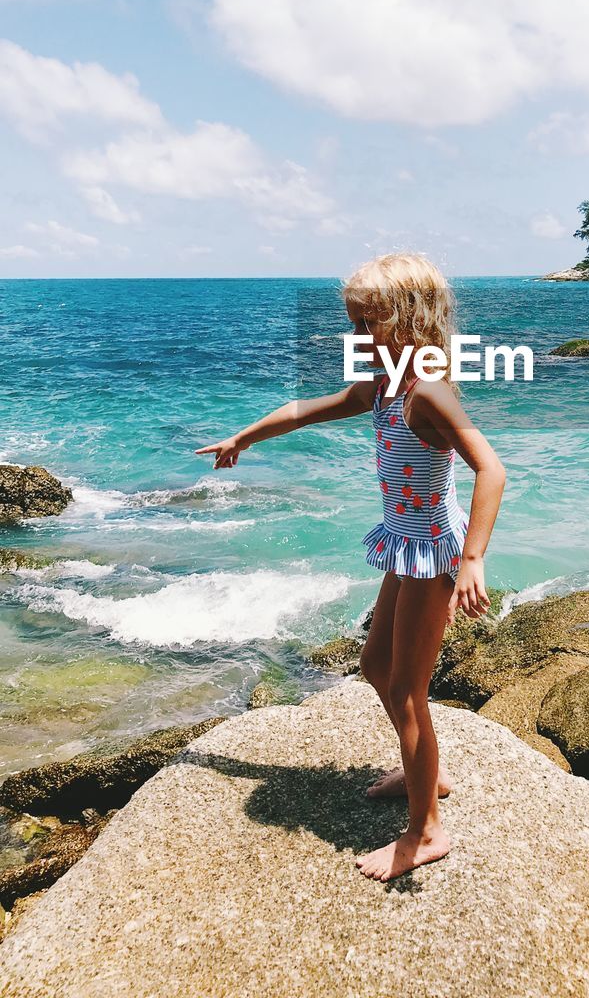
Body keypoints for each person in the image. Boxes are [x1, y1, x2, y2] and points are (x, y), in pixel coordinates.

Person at [195, 252, 505, 883]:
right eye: (354, 324)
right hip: (405, 541)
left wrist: (472, 558)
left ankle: (425, 833)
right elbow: (306, 409)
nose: (356, 338)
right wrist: (243, 438)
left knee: (405, 688)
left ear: (408, 321)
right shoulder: (384, 386)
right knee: (372, 665)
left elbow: (491, 470)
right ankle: (430, 773)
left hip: (432, 553)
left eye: (366, 324)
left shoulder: (430, 394)